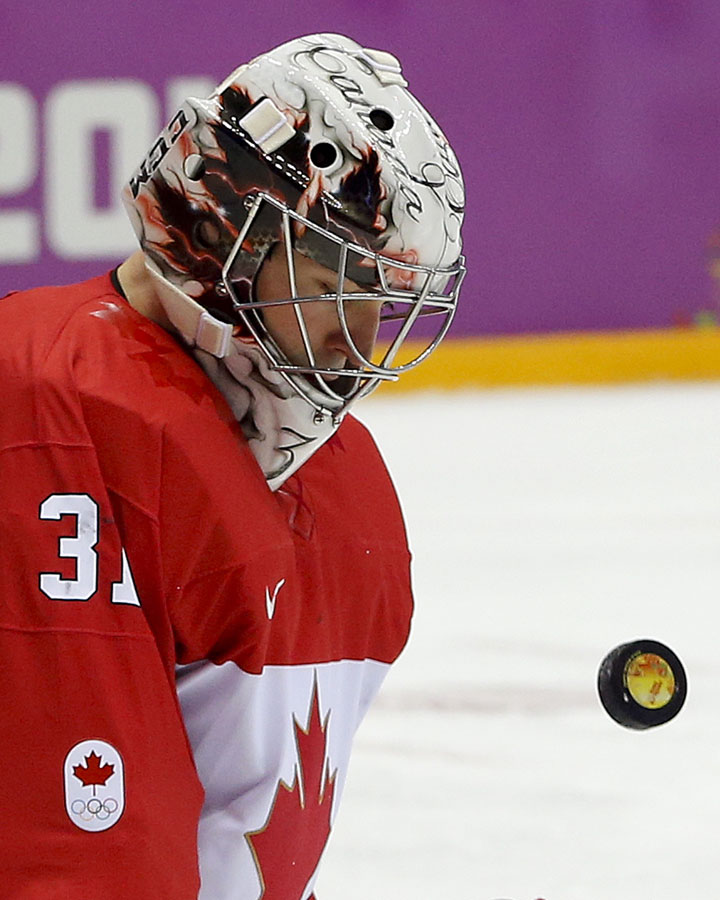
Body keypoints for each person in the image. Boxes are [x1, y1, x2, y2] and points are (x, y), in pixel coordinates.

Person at [0, 33, 465, 899]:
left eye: (385, 298)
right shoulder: (45, 409)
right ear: (230, 236)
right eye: (340, 283)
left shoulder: (350, 492)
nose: (360, 343)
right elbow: (79, 859)